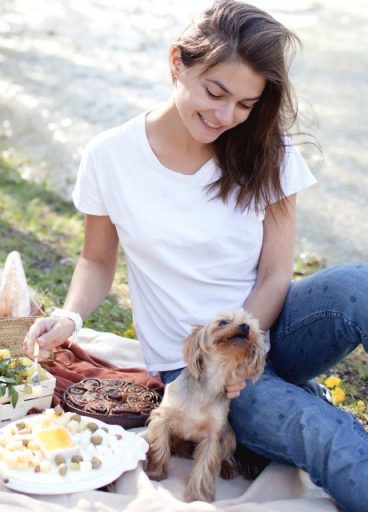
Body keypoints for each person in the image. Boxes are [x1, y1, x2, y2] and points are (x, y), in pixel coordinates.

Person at [23, 1, 368, 510]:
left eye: (246, 104)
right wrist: (69, 317)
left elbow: (276, 273)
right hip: (194, 368)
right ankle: (288, 410)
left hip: (265, 325)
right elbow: (97, 262)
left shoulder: (268, 150)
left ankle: (278, 392)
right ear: (177, 63)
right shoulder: (109, 157)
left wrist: (253, 354)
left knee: (357, 287)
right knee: (317, 430)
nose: (226, 116)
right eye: (215, 91)